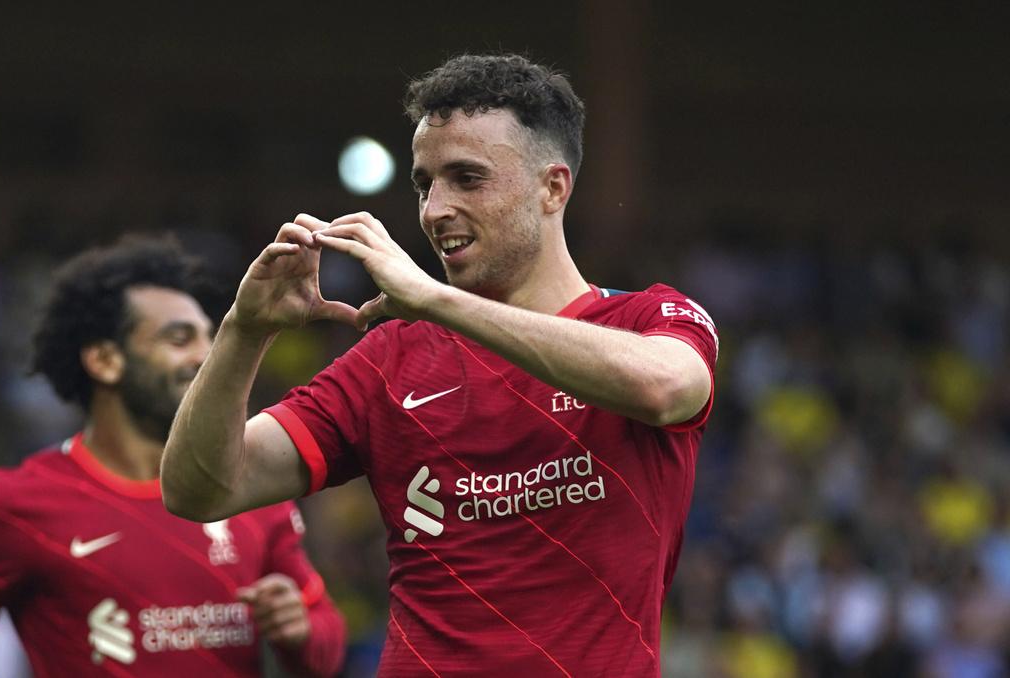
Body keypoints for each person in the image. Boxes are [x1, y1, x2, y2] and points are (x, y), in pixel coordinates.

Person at [162, 53, 717, 675]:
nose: (433, 210)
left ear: (552, 188)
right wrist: (243, 332)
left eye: (467, 178)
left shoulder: (647, 319)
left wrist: (433, 299)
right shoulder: (389, 359)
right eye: (425, 184)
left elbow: (667, 386)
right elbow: (200, 489)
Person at [0, 235, 346, 676]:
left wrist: (300, 628)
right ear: (104, 360)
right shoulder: (17, 504)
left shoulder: (248, 486)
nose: (206, 356)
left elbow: (327, 648)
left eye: (210, 338)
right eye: (179, 339)